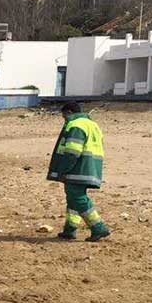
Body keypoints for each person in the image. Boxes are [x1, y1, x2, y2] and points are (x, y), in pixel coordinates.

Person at [47, 101, 111, 242]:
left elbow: (72, 152)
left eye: (64, 117)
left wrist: (62, 169)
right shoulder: (92, 125)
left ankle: (98, 227)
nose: (64, 120)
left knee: (77, 198)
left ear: (69, 113)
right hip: (92, 167)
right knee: (73, 198)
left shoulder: (76, 125)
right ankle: (70, 229)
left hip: (78, 168)